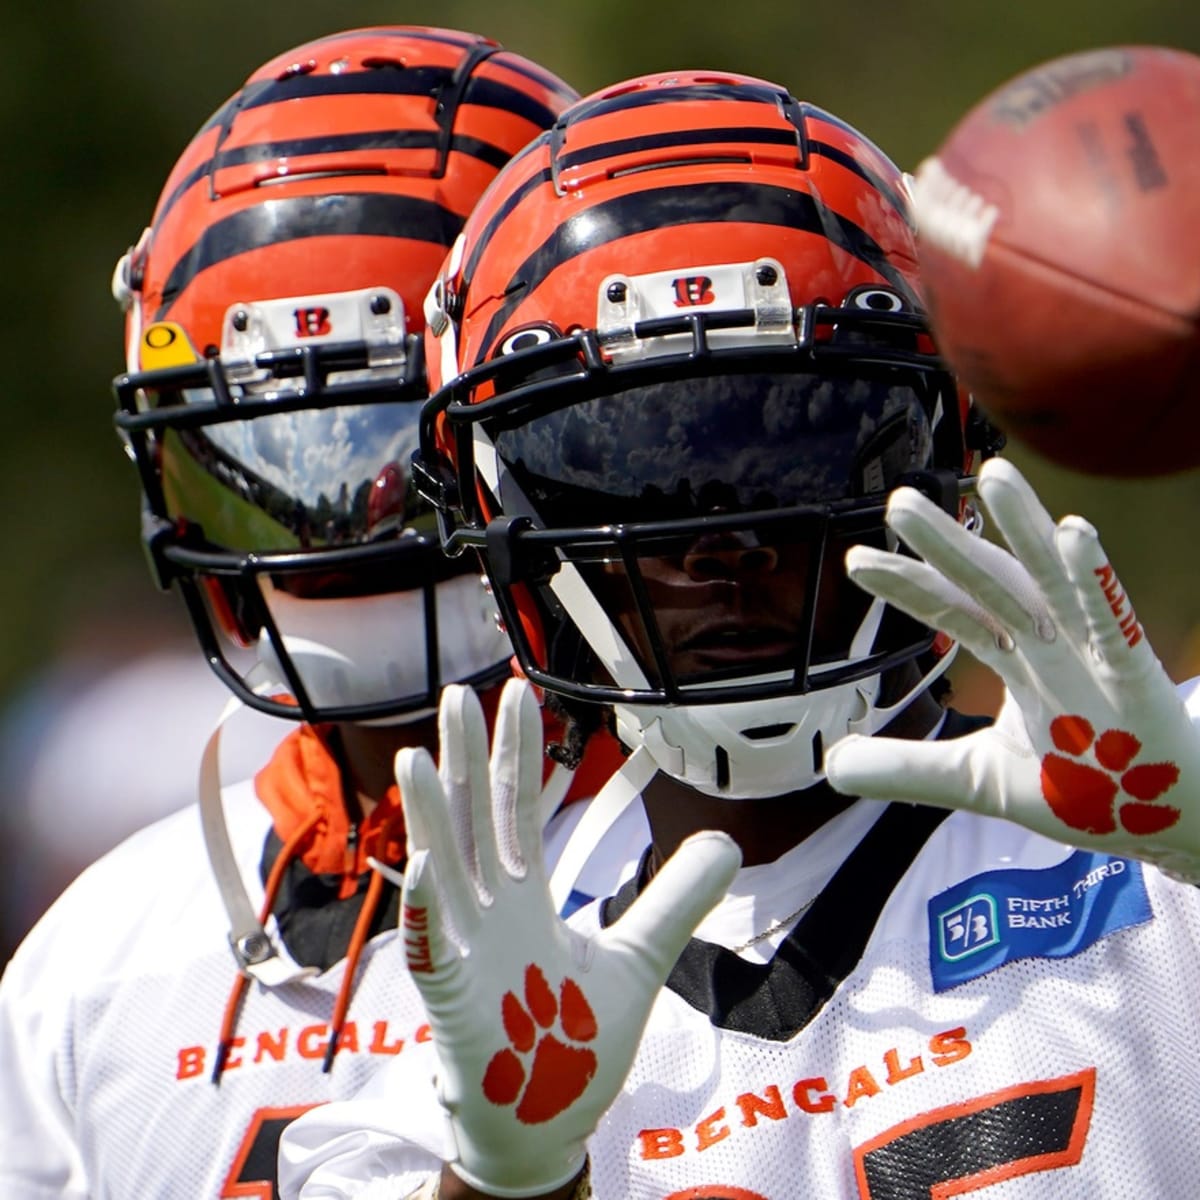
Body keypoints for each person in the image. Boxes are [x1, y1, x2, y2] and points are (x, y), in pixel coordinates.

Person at [277, 70, 1200, 1198]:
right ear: (494, 515)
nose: (730, 545)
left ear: (947, 451)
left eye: (799, 447)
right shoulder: (476, 1012)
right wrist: (507, 1176)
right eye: (632, 470)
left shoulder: (1157, 839)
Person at [0, 27, 628, 1199]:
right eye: (274, 460)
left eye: (407, 450)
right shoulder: (101, 958)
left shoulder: (742, 863)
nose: (355, 528)